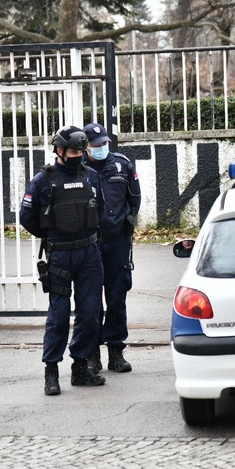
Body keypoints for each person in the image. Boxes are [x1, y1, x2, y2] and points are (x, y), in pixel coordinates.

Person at [19, 125, 107, 396]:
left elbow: (100, 208)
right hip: (60, 254)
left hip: (90, 254)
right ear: (59, 151)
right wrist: (53, 237)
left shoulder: (91, 176)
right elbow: (26, 217)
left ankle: (80, 368)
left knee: (90, 313)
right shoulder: (43, 180)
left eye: (82, 150)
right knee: (58, 316)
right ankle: (51, 372)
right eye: (73, 151)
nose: (79, 155)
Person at [82, 122, 141, 374]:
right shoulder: (78, 169)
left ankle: (116, 352)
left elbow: (134, 198)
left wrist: (126, 225)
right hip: (90, 243)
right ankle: (93, 354)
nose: (102, 148)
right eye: (96, 145)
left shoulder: (122, 164)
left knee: (117, 297)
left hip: (117, 242)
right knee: (91, 302)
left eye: (105, 143)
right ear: (85, 147)